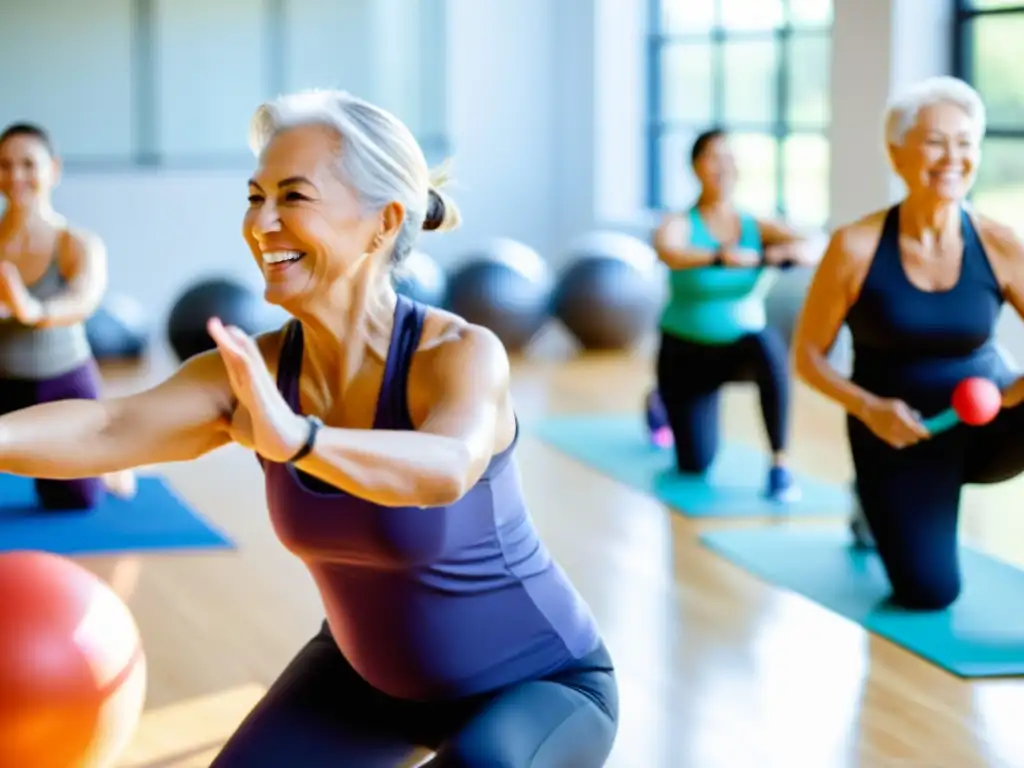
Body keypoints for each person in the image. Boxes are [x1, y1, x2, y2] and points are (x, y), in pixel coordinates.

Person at [0, 91, 618, 766]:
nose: (259, 222)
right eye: (254, 195)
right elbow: (108, 427)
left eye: (292, 197)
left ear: (382, 222)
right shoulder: (258, 370)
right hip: (365, 679)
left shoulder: (458, 355)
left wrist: (300, 439)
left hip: (535, 686)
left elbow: (445, 467)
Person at [792, 75, 1024, 611]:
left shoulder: (999, 243)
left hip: (985, 426)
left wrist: (1014, 392)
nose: (953, 157)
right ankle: (870, 505)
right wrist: (870, 408)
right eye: (935, 141)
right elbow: (807, 357)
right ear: (897, 154)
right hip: (896, 433)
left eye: (966, 143)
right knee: (928, 593)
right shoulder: (854, 246)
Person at [650, 128, 818, 503]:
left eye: (729, 158)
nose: (722, 167)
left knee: (768, 345)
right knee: (694, 465)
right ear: (696, 166)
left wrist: (783, 254)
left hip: (738, 351)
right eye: (713, 158)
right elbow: (668, 250)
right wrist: (717, 257)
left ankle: (779, 464)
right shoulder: (680, 221)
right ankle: (658, 401)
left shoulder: (754, 225)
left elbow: (812, 245)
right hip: (685, 355)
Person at [0, 122, 134, 509]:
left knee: (72, 500)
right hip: (4, 385)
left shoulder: (76, 243)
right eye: (5, 166)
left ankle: (113, 460)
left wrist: (33, 310)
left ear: (53, 169)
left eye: (28, 164)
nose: (16, 176)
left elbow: (83, 300)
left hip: (61, 386)